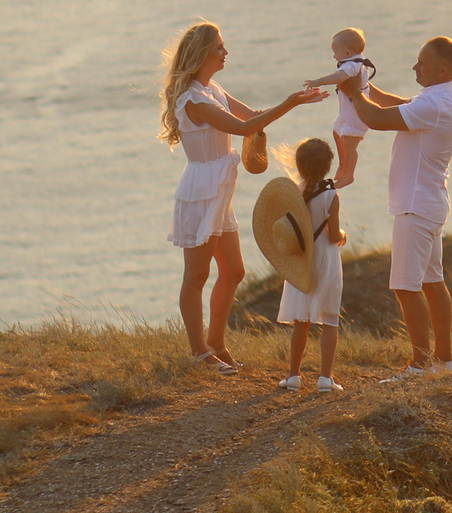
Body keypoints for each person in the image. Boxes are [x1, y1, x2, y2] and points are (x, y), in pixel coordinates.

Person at [158, 20, 321, 374]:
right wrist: (291, 102)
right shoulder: (194, 100)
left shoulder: (213, 89)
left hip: (219, 191)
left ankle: (216, 344)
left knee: (233, 271)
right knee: (196, 276)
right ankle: (199, 352)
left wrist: (296, 102)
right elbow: (245, 128)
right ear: (202, 54)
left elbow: (252, 117)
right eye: (219, 47)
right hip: (201, 192)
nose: (225, 52)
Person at [338, 35, 452, 379]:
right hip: (430, 202)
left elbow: (377, 119)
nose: (414, 67)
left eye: (421, 63)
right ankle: (444, 360)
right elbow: (401, 105)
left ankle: (420, 365)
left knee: (406, 287)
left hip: (415, 206)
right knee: (432, 282)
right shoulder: (445, 95)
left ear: (441, 69)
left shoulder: (434, 105)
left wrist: (354, 93)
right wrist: (366, 86)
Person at [274, 138, 347, 394]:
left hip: (302, 260)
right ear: (327, 167)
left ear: (300, 166)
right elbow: (334, 236)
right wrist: (344, 235)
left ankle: (294, 375)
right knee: (329, 319)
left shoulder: (293, 192)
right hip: (325, 259)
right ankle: (325, 378)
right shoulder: (330, 196)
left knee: (301, 320)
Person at [312, 28, 379, 187]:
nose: (334, 56)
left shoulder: (351, 66)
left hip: (356, 114)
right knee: (337, 132)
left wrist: (319, 81)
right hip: (347, 113)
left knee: (350, 145)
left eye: (335, 52)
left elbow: (340, 77)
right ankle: (343, 164)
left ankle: (349, 175)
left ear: (348, 53)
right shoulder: (356, 62)